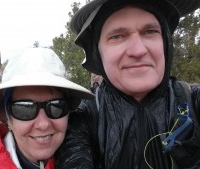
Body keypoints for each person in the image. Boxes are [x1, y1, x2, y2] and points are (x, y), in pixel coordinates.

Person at [55, 0, 200, 168]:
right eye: (117, 36)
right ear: (98, 53)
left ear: (165, 42)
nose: (138, 51)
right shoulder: (82, 116)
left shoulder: (193, 100)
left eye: (150, 31)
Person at [0, 48, 94, 169]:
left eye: (56, 106)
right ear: (7, 116)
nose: (43, 124)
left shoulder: (90, 151)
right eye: (25, 109)